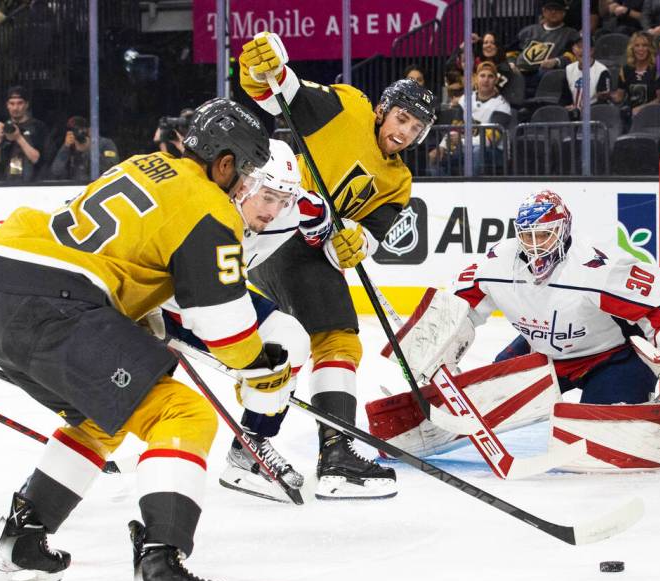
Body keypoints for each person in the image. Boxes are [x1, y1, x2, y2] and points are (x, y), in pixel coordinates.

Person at [0, 98, 286, 581]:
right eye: (248, 172)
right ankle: (163, 574)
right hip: (56, 305)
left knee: (101, 415)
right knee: (182, 413)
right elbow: (226, 329)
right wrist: (261, 366)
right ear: (225, 164)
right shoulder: (209, 206)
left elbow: (122, 258)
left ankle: (23, 544)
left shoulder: (144, 165)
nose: (249, 188)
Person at [238, 31, 437, 499]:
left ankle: (254, 445)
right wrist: (257, 68)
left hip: (306, 249)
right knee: (337, 338)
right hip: (283, 233)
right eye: (401, 118)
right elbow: (278, 92)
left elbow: (368, 236)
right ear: (382, 110)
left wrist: (354, 243)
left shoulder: (399, 180)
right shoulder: (346, 108)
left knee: (295, 346)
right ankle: (335, 455)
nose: (404, 132)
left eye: (416, 129)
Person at [160, 138, 332, 502]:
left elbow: (317, 211)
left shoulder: (292, 207)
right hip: (166, 302)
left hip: (223, 295)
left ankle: (249, 447)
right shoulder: (204, 206)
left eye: (282, 200)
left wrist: (328, 230)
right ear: (244, 184)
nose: (274, 210)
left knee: (292, 341)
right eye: (267, 196)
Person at [458, 190, 660, 407]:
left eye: (543, 235)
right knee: (487, 400)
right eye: (527, 236)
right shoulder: (499, 263)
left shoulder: (595, 267)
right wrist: (440, 353)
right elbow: (458, 307)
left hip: (612, 358)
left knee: (603, 427)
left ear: (563, 230)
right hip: (543, 354)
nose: (535, 246)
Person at [428, 61, 511, 175]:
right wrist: (442, 147)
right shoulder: (466, 99)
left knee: (477, 151)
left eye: (490, 76)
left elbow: (488, 141)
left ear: (496, 80)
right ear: (476, 78)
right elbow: (455, 128)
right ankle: (444, 191)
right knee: (436, 156)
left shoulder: (502, 106)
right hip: (466, 148)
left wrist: (461, 142)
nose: (486, 80)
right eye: (482, 75)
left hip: (495, 153)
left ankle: (472, 187)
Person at [512, 1, 580, 96]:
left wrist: (556, 61)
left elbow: (574, 55)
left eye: (557, 9)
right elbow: (512, 51)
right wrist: (511, 62)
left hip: (544, 74)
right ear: (543, 11)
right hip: (519, 71)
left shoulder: (570, 34)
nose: (553, 12)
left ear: (564, 13)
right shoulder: (528, 31)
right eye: (550, 9)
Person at [0, 86, 47, 182]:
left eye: (20, 103)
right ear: (7, 105)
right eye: (12, 103)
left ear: (26, 105)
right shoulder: (2, 127)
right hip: (6, 184)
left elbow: (38, 160)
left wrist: (19, 138)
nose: (15, 108)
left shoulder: (38, 127)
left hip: (32, 185)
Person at [612, 32, 660, 117]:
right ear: (632, 48)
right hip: (631, 114)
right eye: (637, 45)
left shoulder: (657, 69)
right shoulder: (626, 69)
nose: (640, 49)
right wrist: (607, 95)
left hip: (654, 115)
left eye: (644, 45)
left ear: (650, 48)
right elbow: (619, 97)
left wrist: (642, 108)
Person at [49, 115, 120, 182]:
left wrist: (89, 150)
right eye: (75, 130)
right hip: (74, 187)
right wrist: (66, 147)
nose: (80, 133)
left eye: (82, 129)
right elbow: (56, 172)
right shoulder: (70, 146)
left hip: (98, 186)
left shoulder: (105, 144)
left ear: (89, 129)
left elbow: (111, 169)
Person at [561, 37, 612, 117]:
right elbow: (564, 97)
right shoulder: (569, 69)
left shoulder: (602, 71)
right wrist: (565, 107)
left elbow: (603, 101)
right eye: (579, 47)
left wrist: (582, 110)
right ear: (573, 50)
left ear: (592, 51)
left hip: (593, 115)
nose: (582, 51)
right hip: (572, 114)